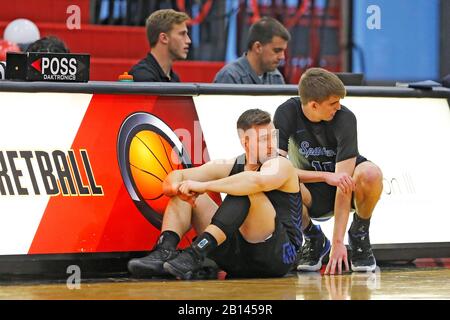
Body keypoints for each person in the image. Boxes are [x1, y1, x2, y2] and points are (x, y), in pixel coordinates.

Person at [128, 109, 302, 279]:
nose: (272, 144)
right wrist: (177, 188)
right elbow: (176, 176)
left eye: (273, 136)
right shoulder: (230, 164)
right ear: (245, 142)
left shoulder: (280, 164)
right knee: (186, 189)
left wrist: (205, 185)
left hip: (278, 256)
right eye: (264, 139)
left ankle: (196, 252)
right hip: (237, 258)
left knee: (245, 189)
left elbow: (256, 182)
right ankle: (164, 251)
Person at [273, 68, 383, 275]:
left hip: (346, 187)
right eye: (333, 103)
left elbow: (343, 184)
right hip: (311, 190)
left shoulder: (345, 118)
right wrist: (325, 176)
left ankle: (359, 234)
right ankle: (314, 238)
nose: (338, 107)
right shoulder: (286, 112)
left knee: (371, 173)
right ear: (314, 105)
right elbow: (275, 168)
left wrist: (339, 242)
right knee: (277, 182)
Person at [214, 17, 290, 84]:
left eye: (283, 51)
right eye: (277, 50)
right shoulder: (230, 77)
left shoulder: (276, 78)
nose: (282, 57)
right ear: (257, 47)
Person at [129, 9, 191, 82]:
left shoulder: (174, 78)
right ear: (164, 38)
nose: (188, 40)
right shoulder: (142, 76)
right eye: (182, 34)